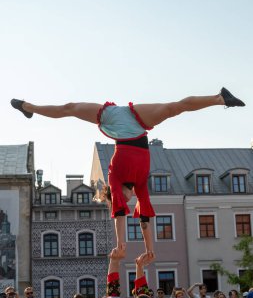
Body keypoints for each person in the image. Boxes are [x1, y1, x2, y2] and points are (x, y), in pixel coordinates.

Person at [11, 88, 245, 259]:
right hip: (137, 125)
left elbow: (119, 214)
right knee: (173, 109)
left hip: (112, 116)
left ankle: (218, 98)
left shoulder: (113, 178)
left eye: (123, 198)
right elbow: (144, 221)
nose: (130, 200)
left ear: (116, 194)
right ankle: (221, 98)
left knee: (70, 108)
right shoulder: (141, 185)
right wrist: (149, 249)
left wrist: (121, 243)